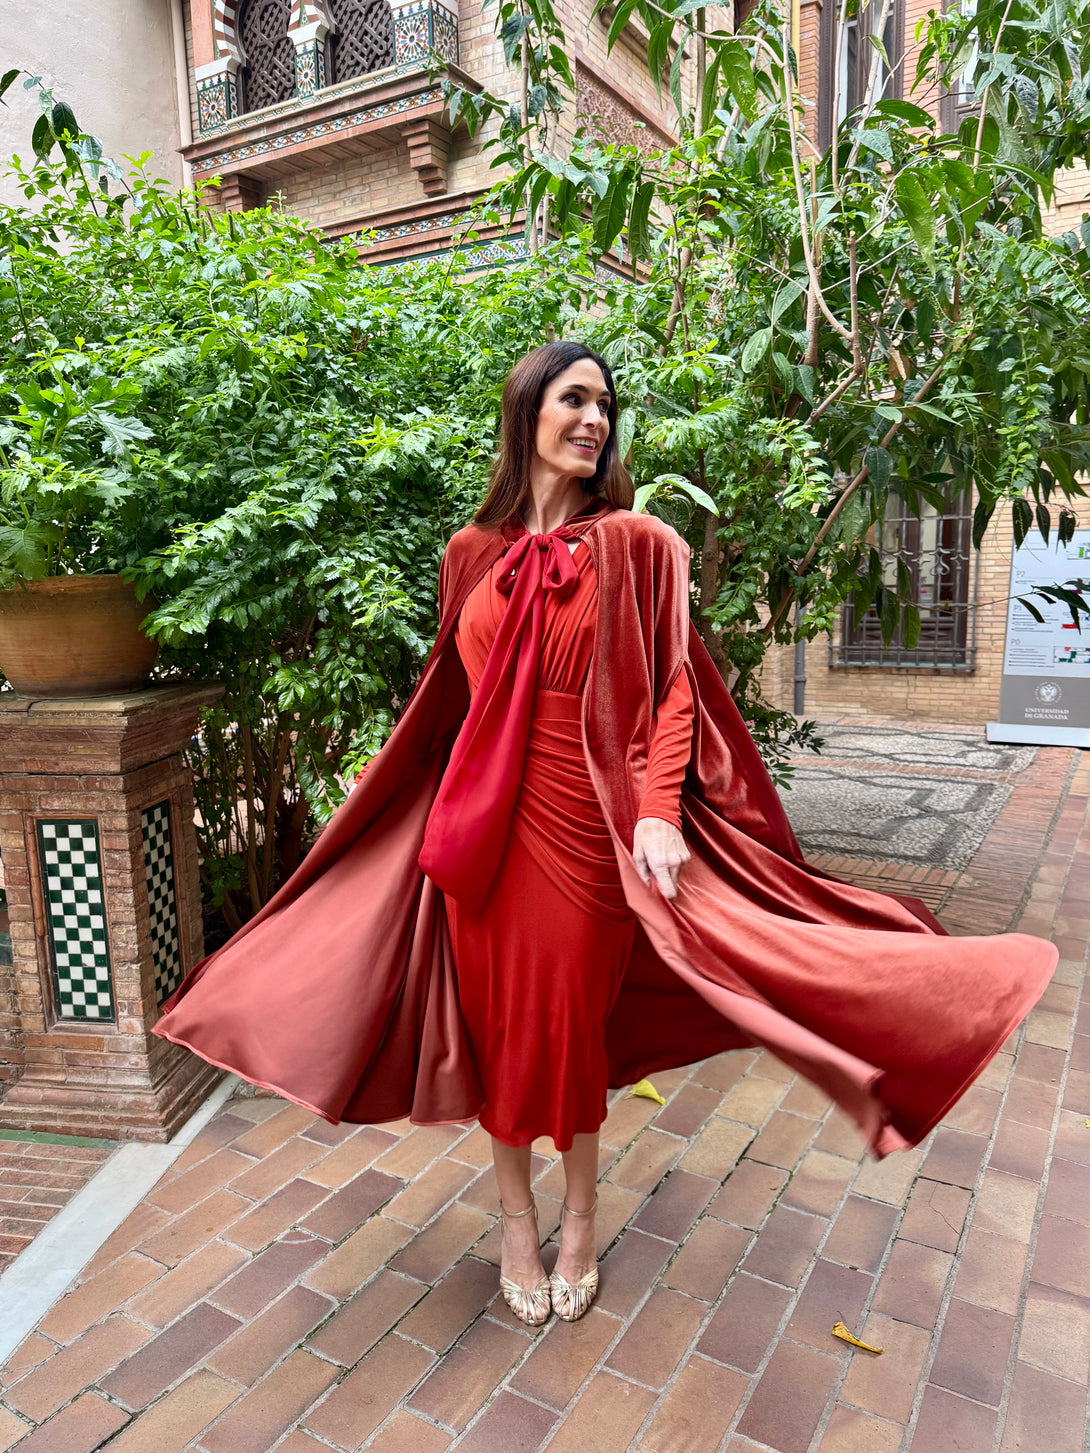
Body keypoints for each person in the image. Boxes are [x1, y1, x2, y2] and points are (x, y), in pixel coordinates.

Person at [155, 340, 1057, 1330]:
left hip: (586, 824)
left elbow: (675, 689)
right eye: (574, 399)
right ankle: (515, 1227)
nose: (595, 419)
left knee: (568, 1030)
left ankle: (579, 1224)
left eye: (605, 405)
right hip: (479, 834)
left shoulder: (639, 543)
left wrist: (659, 810)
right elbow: (450, 704)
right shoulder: (467, 551)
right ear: (526, 412)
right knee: (499, 1034)